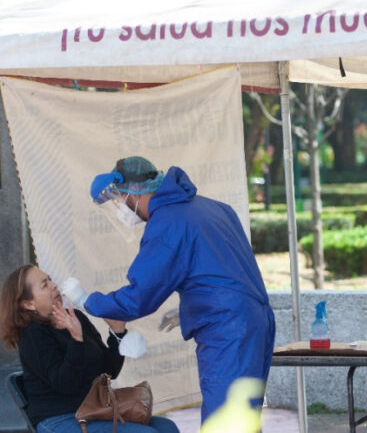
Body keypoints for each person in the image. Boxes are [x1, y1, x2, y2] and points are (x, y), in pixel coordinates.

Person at [64, 156, 275, 422]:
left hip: (228, 332)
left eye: (119, 201)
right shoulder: (213, 208)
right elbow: (224, 273)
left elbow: (139, 297)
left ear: (133, 193)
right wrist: (191, 310)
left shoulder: (167, 223)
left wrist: (88, 301)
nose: (121, 209)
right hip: (254, 321)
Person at [0, 265, 179, 433]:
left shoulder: (76, 317)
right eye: (45, 285)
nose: (54, 285)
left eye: (51, 279)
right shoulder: (33, 334)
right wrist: (77, 340)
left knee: (167, 427)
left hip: (95, 410)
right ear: (28, 304)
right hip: (58, 418)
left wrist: (117, 332)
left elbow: (109, 371)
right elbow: (65, 383)